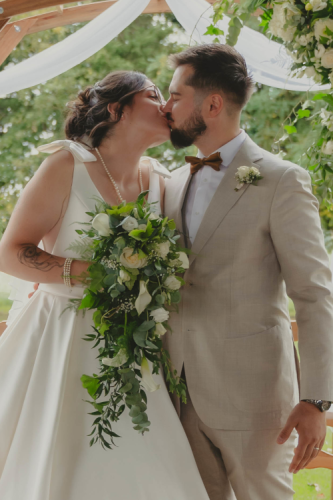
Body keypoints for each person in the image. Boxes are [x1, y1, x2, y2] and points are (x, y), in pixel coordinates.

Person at [0, 70, 210, 500]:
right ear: (117, 109)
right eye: (154, 95)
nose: (167, 105)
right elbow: (9, 251)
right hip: (59, 339)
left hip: (131, 346)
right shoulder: (66, 165)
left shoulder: (160, 179)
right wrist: (90, 273)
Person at [162, 44, 333, 500]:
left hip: (255, 401)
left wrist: (316, 400)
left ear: (212, 105)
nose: (166, 106)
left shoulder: (282, 180)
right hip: (176, 395)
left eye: (176, 95)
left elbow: (315, 295)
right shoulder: (170, 182)